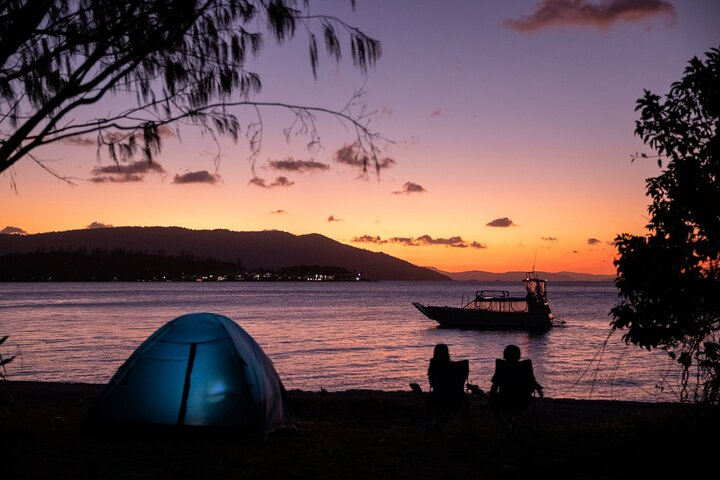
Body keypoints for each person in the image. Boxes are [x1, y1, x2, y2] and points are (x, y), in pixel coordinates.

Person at [489, 344, 543, 416]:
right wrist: (539, 391)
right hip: (522, 401)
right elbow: (532, 382)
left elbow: (494, 386)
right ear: (519, 356)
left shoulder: (501, 367)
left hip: (503, 402)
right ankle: (516, 420)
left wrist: (492, 399)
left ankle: (512, 422)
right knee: (527, 398)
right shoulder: (524, 367)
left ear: (505, 355)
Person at [426, 344, 469, 426]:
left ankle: (435, 424)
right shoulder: (456, 367)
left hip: (439, 398)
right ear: (447, 353)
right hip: (458, 398)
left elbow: (432, 384)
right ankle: (462, 424)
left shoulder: (435, 367)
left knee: (431, 400)